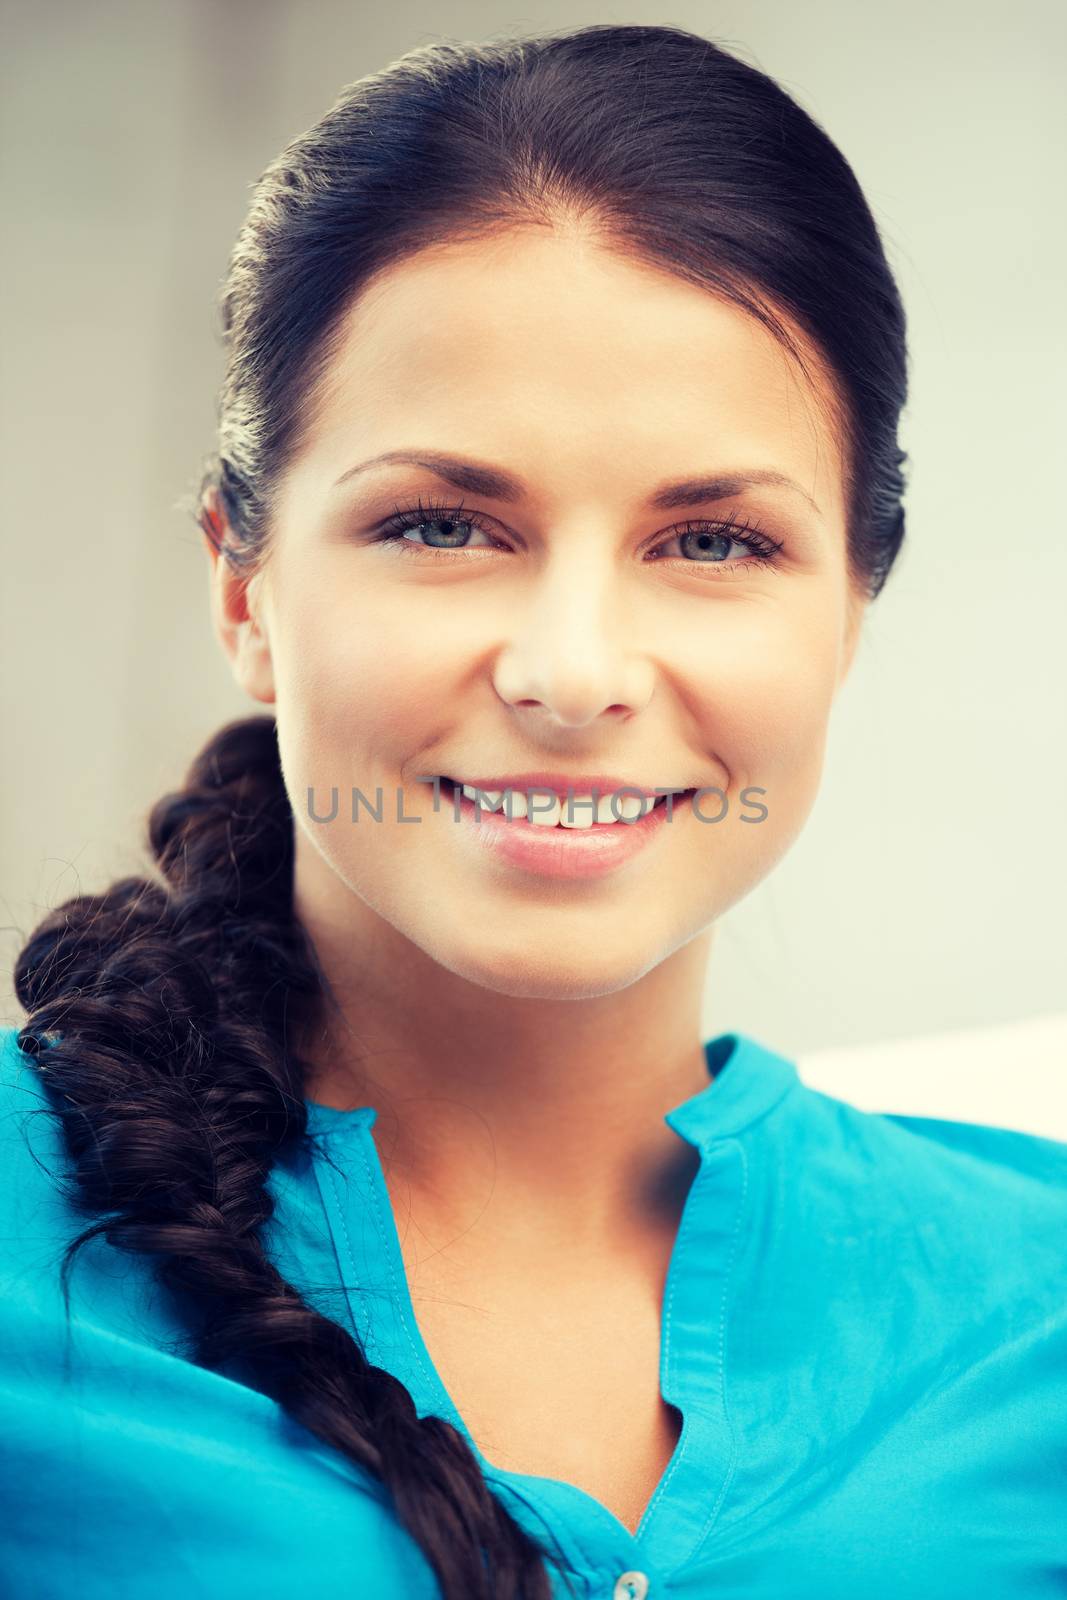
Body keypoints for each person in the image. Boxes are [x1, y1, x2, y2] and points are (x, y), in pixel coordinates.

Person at [3, 21, 1065, 1600]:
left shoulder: (1037, 1314)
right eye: (444, 523)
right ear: (244, 581)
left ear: (853, 604)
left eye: (713, 544)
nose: (573, 674)